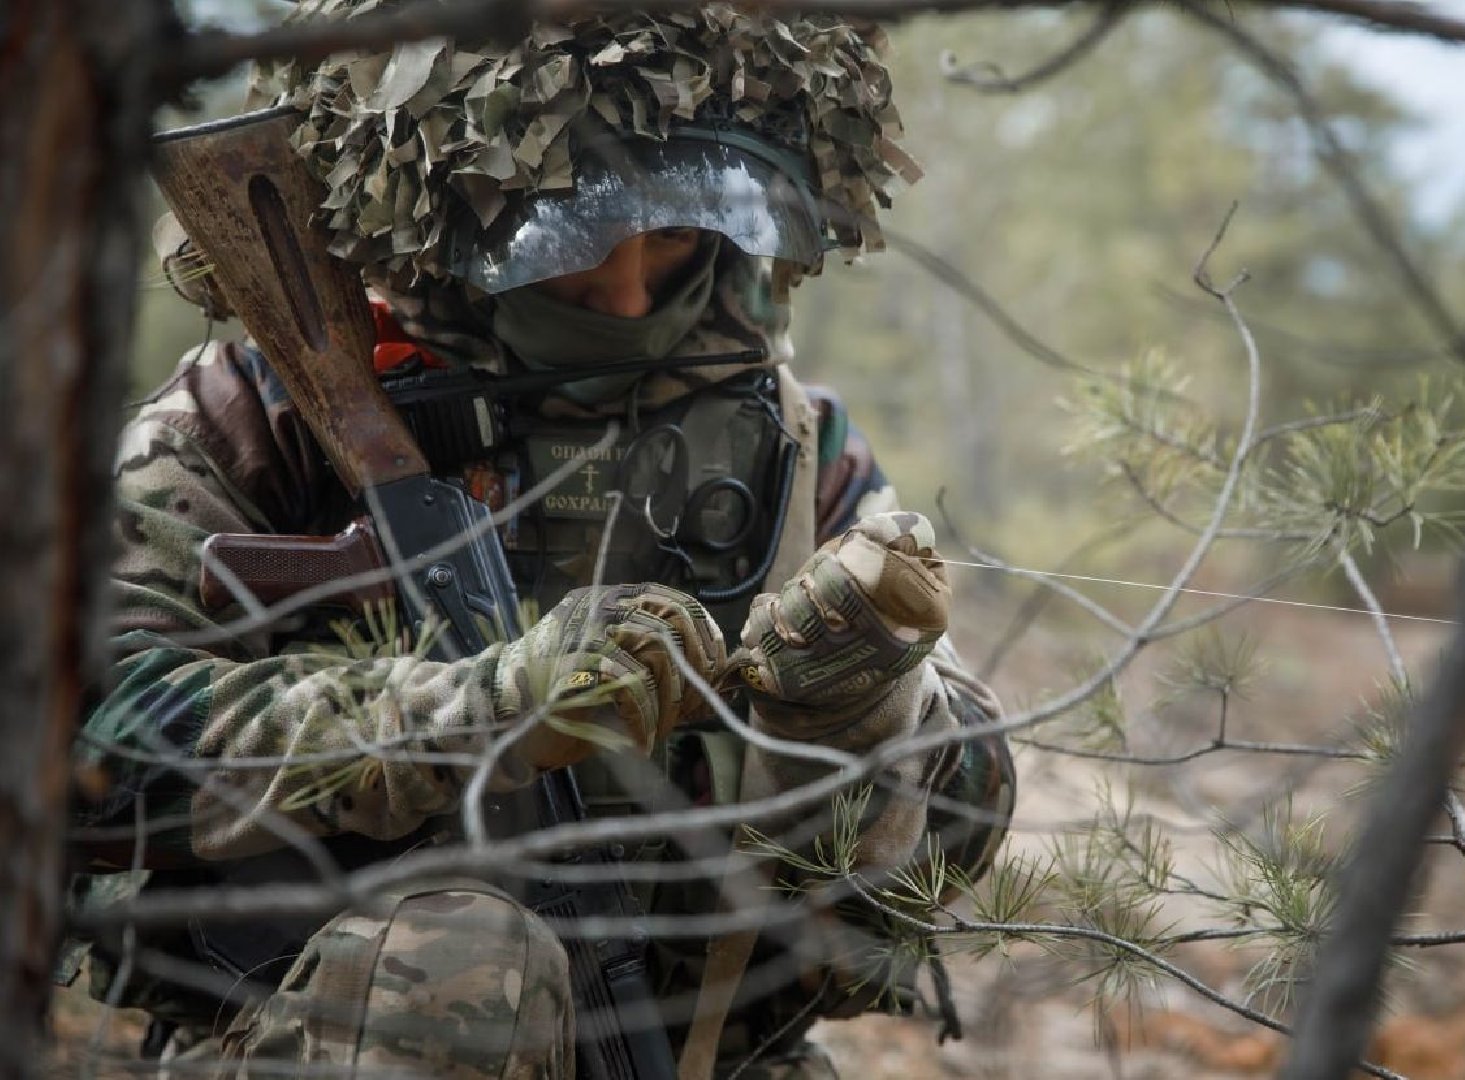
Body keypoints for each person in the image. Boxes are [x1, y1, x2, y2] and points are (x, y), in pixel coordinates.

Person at [66, 3, 1015, 1077]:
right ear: (447, 217)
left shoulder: (790, 441)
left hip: (699, 1044)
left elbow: (970, 813)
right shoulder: (262, 410)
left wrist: (864, 712)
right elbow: (87, 743)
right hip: (314, 1031)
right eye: (573, 235)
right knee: (460, 964)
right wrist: (472, 716)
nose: (626, 293)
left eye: (671, 232)